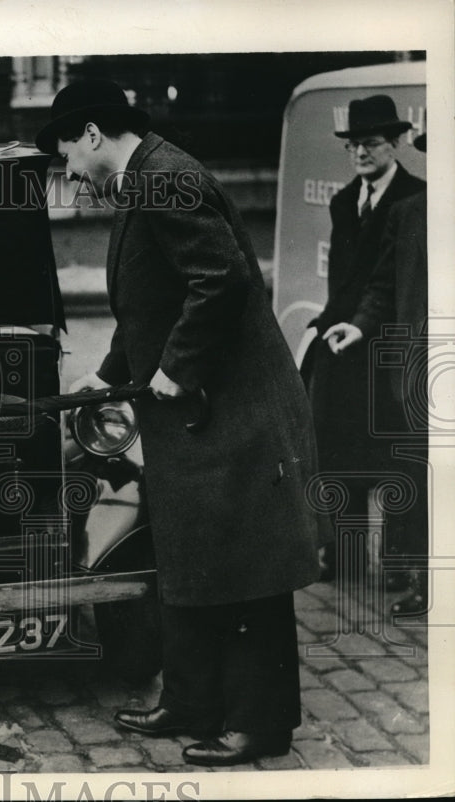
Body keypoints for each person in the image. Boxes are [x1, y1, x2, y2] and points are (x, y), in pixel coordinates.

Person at [35, 79, 322, 766]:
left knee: (245, 564)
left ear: (94, 134)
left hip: (229, 414)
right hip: (196, 418)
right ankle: (191, 701)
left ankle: (261, 725)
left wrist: (180, 367)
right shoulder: (145, 181)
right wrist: (106, 377)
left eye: (67, 152)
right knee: (189, 557)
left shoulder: (164, 179)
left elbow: (221, 278)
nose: (69, 170)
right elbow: (149, 304)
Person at [305, 95, 425, 580]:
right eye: (353, 144)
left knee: (397, 458)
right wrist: (320, 326)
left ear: (396, 144)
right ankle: (347, 554)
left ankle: (399, 562)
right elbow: (344, 282)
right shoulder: (342, 201)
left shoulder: (415, 199)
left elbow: (398, 284)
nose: (360, 152)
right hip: (346, 344)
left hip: (392, 349)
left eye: (371, 143)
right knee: (339, 450)